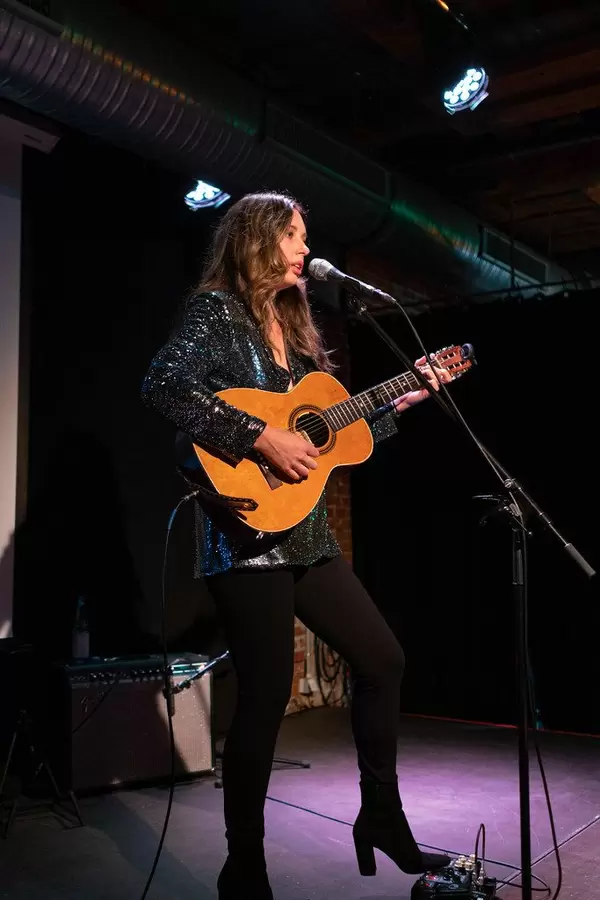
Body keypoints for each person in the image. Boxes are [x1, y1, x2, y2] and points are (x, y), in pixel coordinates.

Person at [141, 191, 452, 899]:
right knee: (265, 696)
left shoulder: (295, 329)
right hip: (245, 528)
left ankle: (381, 817)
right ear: (256, 238)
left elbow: (327, 438)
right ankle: (242, 866)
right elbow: (163, 384)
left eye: (305, 236)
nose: (304, 248)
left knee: (383, 658)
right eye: (293, 235)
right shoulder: (216, 313)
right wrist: (257, 435)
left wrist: (399, 402)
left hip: (304, 528)